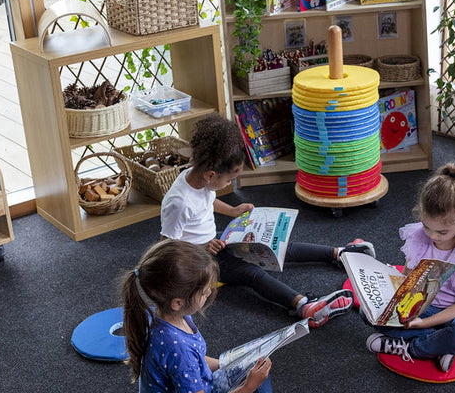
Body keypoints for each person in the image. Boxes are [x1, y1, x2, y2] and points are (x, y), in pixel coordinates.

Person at [160, 114, 373, 326]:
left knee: (275, 247)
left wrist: (233, 211)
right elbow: (166, 248)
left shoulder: (197, 178)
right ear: (210, 175)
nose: (229, 184)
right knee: (251, 273)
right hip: (200, 259)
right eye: (229, 180)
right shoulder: (179, 203)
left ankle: (339, 253)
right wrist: (202, 248)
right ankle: (304, 306)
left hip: (215, 241)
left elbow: (207, 200)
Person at [124, 239, 305, 393]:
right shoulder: (175, 347)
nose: (209, 292)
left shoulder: (173, 317)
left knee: (255, 363)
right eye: (203, 292)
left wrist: (230, 364)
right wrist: (247, 388)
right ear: (177, 302)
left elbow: (197, 361)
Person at [365, 162, 455, 372]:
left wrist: (424, 324)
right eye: (427, 226)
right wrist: (390, 301)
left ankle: (412, 347)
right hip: (424, 307)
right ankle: (441, 344)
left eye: (442, 232)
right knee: (369, 313)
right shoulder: (419, 236)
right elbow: (407, 281)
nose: (433, 236)